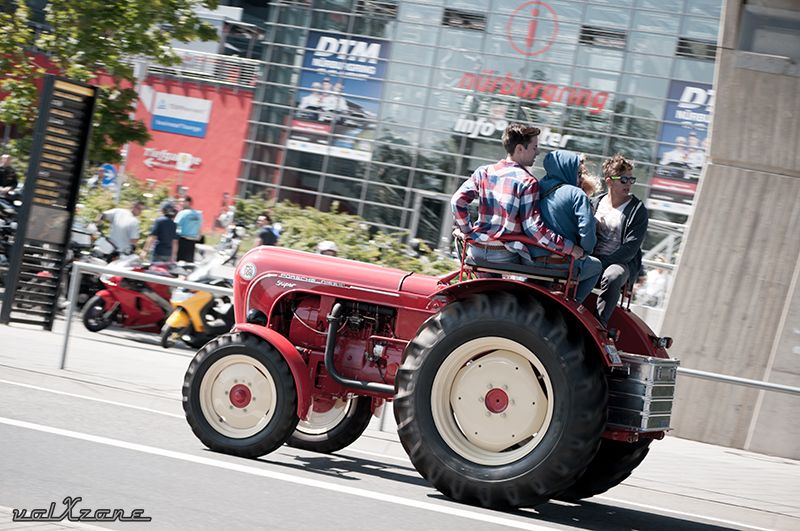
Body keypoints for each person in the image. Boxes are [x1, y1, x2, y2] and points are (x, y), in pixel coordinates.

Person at [451, 123, 583, 266]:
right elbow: (533, 228)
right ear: (520, 148)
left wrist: (468, 231)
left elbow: (457, 201)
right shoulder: (528, 181)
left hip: (476, 250)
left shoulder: (484, 172)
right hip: (504, 254)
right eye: (534, 147)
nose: (538, 152)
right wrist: (570, 248)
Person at [528, 151, 603, 303]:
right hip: (560, 263)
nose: (580, 177)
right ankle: (573, 303)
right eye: (579, 173)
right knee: (596, 266)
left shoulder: (535, 188)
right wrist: (585, 251)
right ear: (567, 170)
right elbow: (587, 231)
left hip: (530, 259)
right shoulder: (576, 194)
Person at [592, 154, 649, 326]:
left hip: (620, 262)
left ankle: (600, 323)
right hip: (592, 256)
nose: (629, 184)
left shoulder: (637, 210)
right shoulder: (595, 202)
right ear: (609, 181)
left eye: (631, 179)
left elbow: (630, 249)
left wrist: (601, 264)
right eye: (624, 180)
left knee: (613, 276)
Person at [174, 196, 203, 262]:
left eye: (182, 201)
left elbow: (174, 226)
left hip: (182, 240)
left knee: (178, 262)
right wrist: (199, 236)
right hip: (192, 242)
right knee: (188, 263)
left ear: (188, 202)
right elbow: (199, 227)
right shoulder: (198, 214)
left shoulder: (182, 213)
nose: (181, 203)